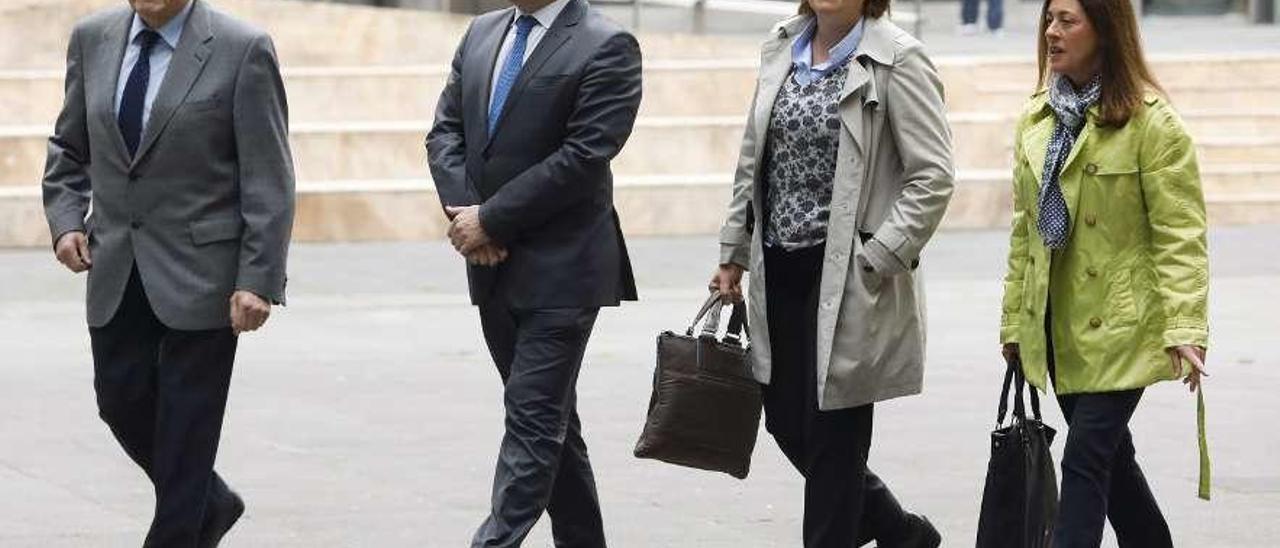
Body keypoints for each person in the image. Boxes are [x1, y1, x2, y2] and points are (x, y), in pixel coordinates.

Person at [42, 0, 295, 544]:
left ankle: (179, 528)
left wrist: (258, 278)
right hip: (114, 267)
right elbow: (68, 148)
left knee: (187, 429)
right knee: (120, 401)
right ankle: (211, 503)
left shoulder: (242, 49)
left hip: (206, 274)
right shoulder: (92, 39)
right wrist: (66, 222)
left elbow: (269, 175)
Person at [709, 0, 954, 544]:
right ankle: (900, 531)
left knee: (834, 435)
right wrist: (734, 250)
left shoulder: (899, 59)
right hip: (779, 267)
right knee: (784, 421)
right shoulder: (782, 46)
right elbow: (754, 156)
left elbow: (932, 176)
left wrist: (879, 258)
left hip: (847, 276)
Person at [425, 0, 641, 544]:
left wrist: (492, 220)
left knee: (532, 420)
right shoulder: (481, 33)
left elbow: (584, 157)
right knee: (550, 427)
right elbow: (444, 133)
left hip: (564, 269)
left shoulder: (607, 44)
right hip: (491, 266)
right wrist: (467, 216)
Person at [998, 0, 1210, 545]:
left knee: (1084, 460)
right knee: (1112, 462)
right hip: (1056, 326)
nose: (1052, 32)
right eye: (1049, 19)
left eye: (1068, 20)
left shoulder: (1152, 122)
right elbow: (1025, 232)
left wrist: (1186, 325)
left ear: (1106, 29)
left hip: (1122, 325)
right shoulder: (1037, 117)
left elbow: (1180, 234)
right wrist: (1014, 325)